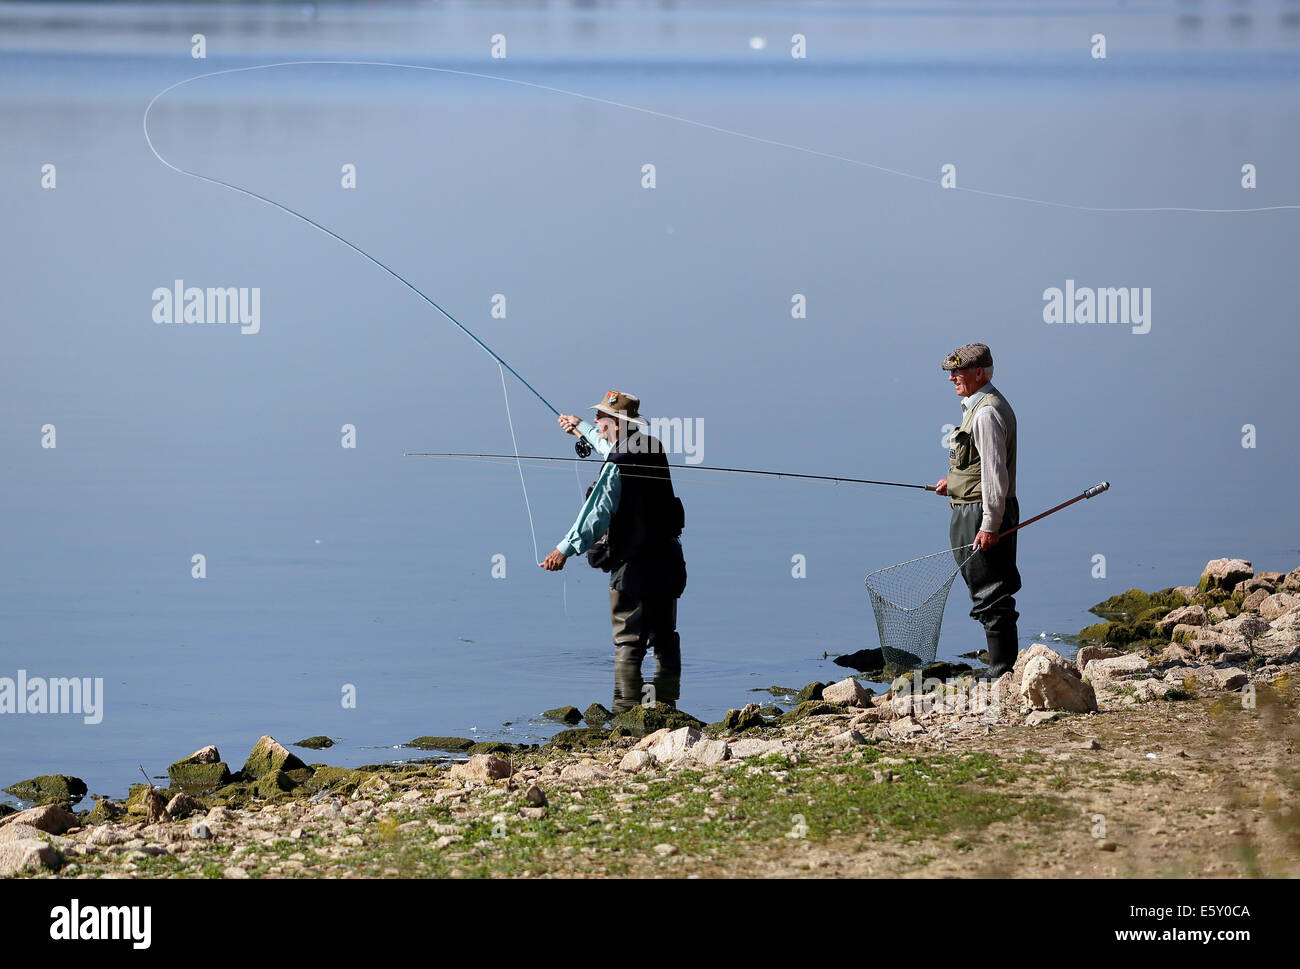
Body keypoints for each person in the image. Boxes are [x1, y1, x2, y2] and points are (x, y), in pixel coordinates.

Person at [539, 391, 687, 711]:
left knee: (628, 644)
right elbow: (612, 447)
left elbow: (596, 514)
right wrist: (582, 430)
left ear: (617, 423)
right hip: (668, 561)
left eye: (601, 418)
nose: (596, 420)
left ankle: (625, 717)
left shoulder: (617, 465)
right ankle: (666, 707)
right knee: (664, 636)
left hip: (633, 568)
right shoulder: (650, 446)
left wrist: (562, 550)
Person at [933, 344, 1021, 678]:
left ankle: (1001, 672)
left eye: (957, 372)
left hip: (982, 514)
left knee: (992, 594)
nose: (952, 378)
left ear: (979, 373)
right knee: (987, 592)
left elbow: (996, 475)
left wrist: (990, 525)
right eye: (950, 373)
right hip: (974, 509)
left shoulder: (986, 412)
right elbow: (978, 465)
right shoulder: (978, 407)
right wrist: (952, 483)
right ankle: (1002, 668)